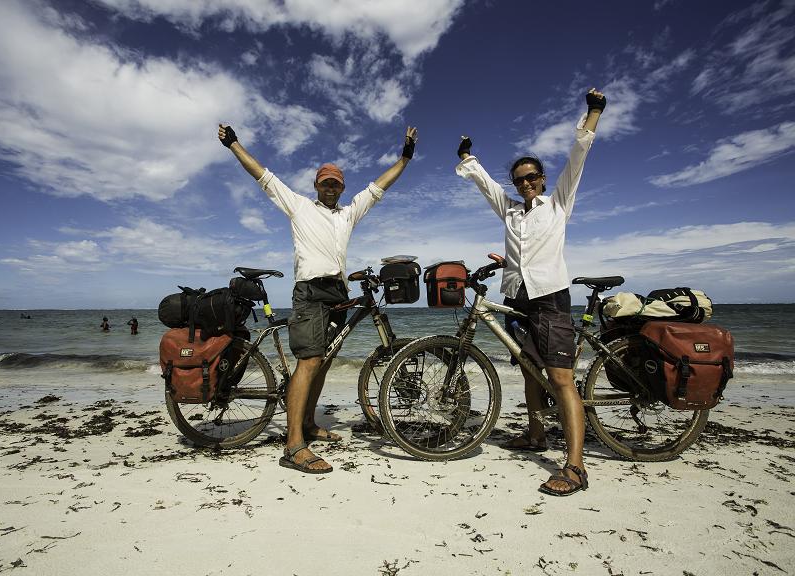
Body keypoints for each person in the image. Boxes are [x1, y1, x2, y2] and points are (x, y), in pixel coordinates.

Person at [217, 122, 418, 474]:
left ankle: (308, 423)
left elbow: (380, 186)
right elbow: (262, 176)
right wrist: (234, 144)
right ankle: (293, 445)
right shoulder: (298, 206)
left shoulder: (348, 213)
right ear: (316, 186)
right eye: (325, 183)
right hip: (310, 291)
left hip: (337, 291)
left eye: (336, 184)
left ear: (341, 188)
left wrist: (405, 156)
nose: (331, 188)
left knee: (324, 361)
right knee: (309, 362)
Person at [455, 88, 606, 497]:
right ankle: (536, 434)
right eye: (519, 180)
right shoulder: (509, 210)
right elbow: (486, 186)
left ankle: (575, 467)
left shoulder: (557, 204)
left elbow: (578, 157)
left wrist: (593, 111)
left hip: (550, 297)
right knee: (527, 368)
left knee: (559, 377)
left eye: (531, 177)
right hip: (516, 296)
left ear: (541, 179)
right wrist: (467, 157)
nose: (525, 184)